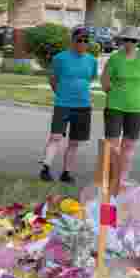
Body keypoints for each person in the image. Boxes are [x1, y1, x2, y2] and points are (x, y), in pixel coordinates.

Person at [40, 27, 98, 184]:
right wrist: (60, 93)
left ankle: (66, 173)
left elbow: (90, 78)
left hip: (83, 105)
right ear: (72, 40)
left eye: (86, 40)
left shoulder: (92, 61)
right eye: (79, 39)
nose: (82, 43)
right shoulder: (60, 58)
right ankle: (45, 168)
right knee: (55, 137)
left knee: (74, 141)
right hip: (63, 104)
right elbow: (53, 79)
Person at [99, 26, 140, 192]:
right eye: (127, 40)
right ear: (122, 41)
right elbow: (104, 82)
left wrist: (136, 94)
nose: (130, 43)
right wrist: (115, 93)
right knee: (112, 145)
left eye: (134, 40)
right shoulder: (115, 58)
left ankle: (122, 179)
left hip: (137, 107)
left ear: (137, 42)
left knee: (128, 146)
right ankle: (108, 178)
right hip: (115, 106)